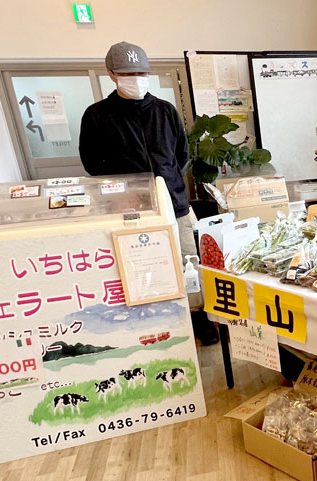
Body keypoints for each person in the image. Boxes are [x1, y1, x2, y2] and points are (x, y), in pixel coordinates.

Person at [79, 41, 217, 345]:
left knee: (189, 261)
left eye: (141, 72)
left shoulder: (165, 111)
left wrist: (164, 183)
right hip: (127, 211)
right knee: (139, 265)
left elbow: (181, 156)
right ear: (112, 74)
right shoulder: (97, 116)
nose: (136, 78)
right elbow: (92, 163)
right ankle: (152, 322)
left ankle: (198, 318)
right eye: (128, 72)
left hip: (176, 205)